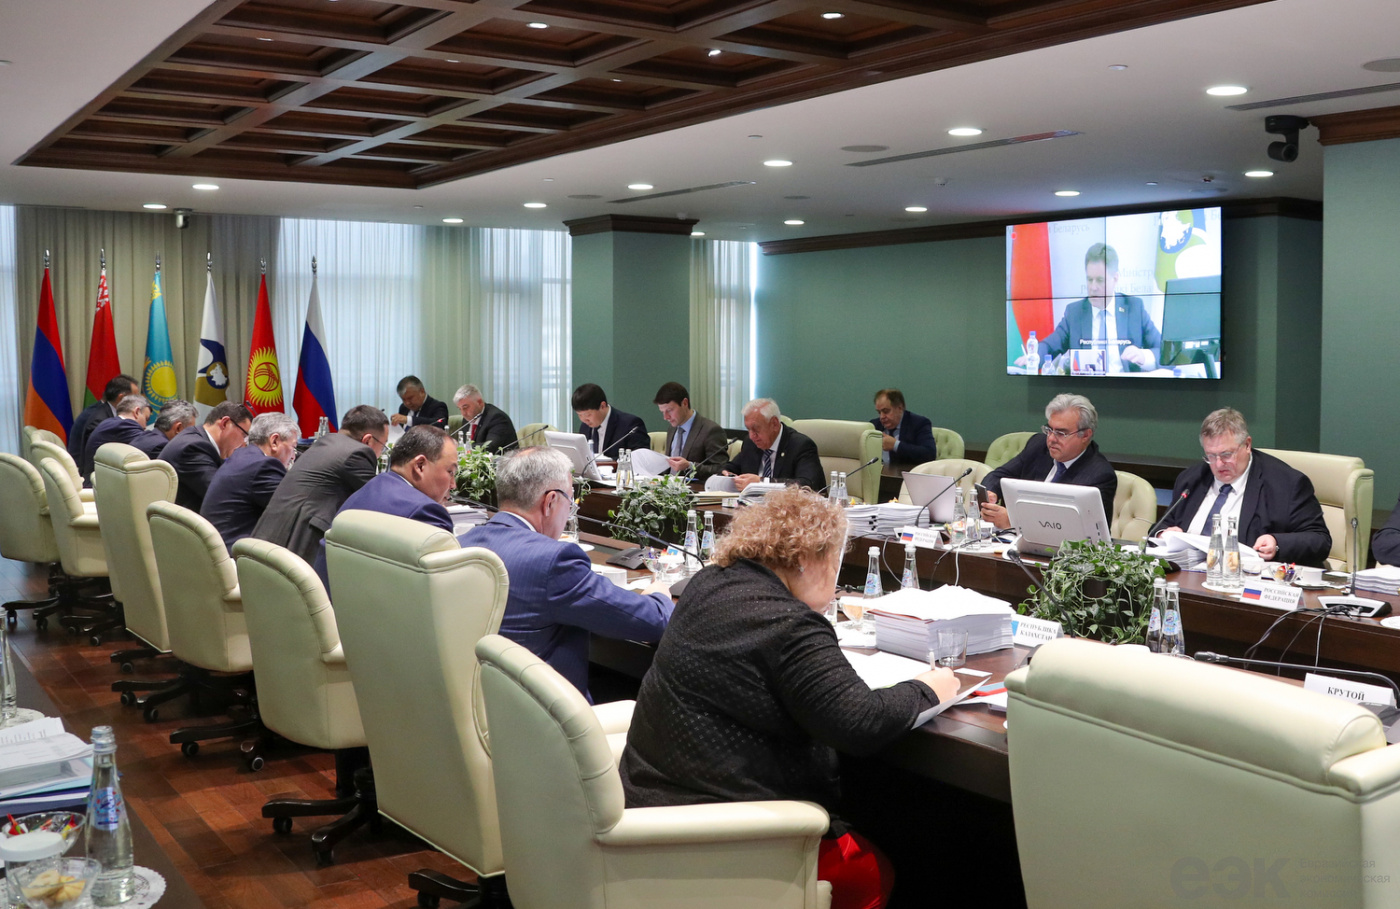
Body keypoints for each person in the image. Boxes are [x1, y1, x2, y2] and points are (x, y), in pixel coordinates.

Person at [620, 486, 958, 909]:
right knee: (872, 874)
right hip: (721, 836)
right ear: (805, 559)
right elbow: (861, 724)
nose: (836, 575)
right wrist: (930, 688)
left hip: (651, 804)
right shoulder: (788, 623)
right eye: (835, 561)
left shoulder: (708, 583)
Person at [463, 447, 673, 701]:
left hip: (481, 700)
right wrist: (659, 595)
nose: (569, 512)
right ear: (550, 501)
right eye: (570, 502)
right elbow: (653, 623)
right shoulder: (553, 561)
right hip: (545, 713)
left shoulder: (463, 543)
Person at [1163, 408, 1331, 565]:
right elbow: (1162, 525)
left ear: (1247, 445)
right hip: (1189, 574)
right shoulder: (1192, 479)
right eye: (1211, 456)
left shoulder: (1286, 484)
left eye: (1226, 454)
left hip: (1247, 578)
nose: (1218, 464)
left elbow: (1320, 540)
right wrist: (1163, 534)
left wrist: (1277, 542)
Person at [314, 425, 457, 589]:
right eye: (450, 472)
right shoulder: (425, 512)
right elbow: (446, 585)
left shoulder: (369, 489)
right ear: (420, 465)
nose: (453, 485)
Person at [253, 405, 389, 565]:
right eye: (383, 445)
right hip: (294, 551)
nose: (382, 452)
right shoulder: (357, 453)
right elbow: (379, 503)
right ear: (368, 440)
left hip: (265, 542)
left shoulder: (324, 443)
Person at [981, 394, 1116, 529]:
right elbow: (998, 476)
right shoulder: (1038, 446)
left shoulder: (1099, 476)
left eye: (1061, 433)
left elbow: (1075, 529)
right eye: (1049, 430)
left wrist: (1014, 521)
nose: (1051, 439)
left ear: (1085, 435)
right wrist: (990, 494)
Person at [1033, 243, 1162, 374]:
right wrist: (1033, 357)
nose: (1093, 287)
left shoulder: (1134, 308)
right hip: (1086, 385)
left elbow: (1163, 351)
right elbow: (1050, 346)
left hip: (1125, 384)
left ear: (1115, 278)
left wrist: (1143, 356)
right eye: (1090, 280)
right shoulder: (1075, 312)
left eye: (1100, 280)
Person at [200, 412, 299, 555]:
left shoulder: (242, 456)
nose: (294, 456)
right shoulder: (263, 466)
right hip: (233, 555)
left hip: (216, 548)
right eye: (293, 447)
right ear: (274, 441)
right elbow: (293, 510)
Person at [158, 401, 252, 512]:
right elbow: (222, 494)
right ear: (225, 423)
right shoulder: (193, 448)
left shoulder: (197, 438)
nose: (244, 444)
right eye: (244, 435)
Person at [722, 398, 824, 491]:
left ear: (774, 424)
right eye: (748, 429)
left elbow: (807, 484)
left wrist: (762, 482)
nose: (752, 436)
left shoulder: (801, 445)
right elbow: (730, 467)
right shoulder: (751, 443)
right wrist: (727, 474)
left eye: (756, 429)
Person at [82, 394, 167, 482]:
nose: (145, 426)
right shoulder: (123, 425)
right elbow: (150, 442)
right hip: (96, 485)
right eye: (146, 419)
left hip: (98, 481)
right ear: (137, 412)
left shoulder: (111, 423)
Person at [653, 381, 728, 480]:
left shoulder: (711, 430)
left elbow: (721, 469)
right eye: (662, 412)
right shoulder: (672, 428)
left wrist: (690, 466)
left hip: (695, 487)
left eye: (670, 410)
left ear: (685, 403)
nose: (666, 417)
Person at [70, 374, 140, 479]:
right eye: (135, 398)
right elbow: (98, 456)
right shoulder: (99, 419)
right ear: (121, 398)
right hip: (91, 477)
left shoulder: (106, 411)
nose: (138, 403)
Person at [571, 383, 648, 458]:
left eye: (588, 415)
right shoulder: (585, 427)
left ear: (602, 406)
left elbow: (641, 459)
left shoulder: (631, 425)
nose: (583, 419)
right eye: (579, 415)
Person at [870, 388, 938, 467]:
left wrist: (895, 445)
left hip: (908, 473)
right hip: (881, 473)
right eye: (879, 412)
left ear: (899, 408)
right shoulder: (874, 426)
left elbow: (930, 454)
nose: (882, 417)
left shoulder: (919, 423)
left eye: (886, 411)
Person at [452, 384, 517, 453]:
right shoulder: (468, 418)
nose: (463, 413)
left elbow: (490, 447)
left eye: (465, 407)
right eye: (460, 409)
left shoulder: (497, 418)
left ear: (479, 402)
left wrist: (461, 447)